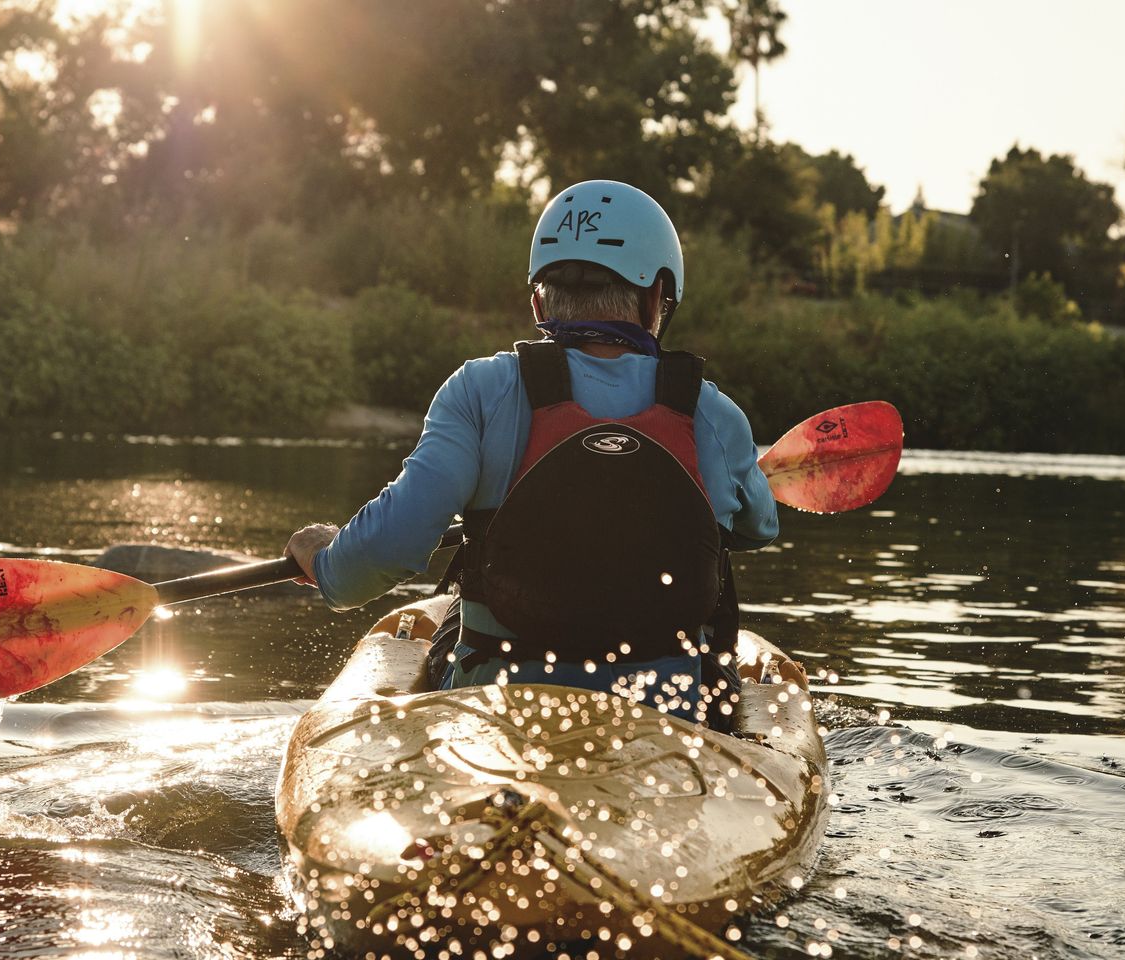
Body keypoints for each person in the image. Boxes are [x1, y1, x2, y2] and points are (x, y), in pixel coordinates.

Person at [285, 180, 777, 731]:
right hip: (667, 715)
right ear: (658, 295)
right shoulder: (714, 415)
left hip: (500, 711)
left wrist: (325, 559)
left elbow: (389, 549)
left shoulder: (479, 392)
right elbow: (759, 528)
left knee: (453, 612)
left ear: (538, 298)